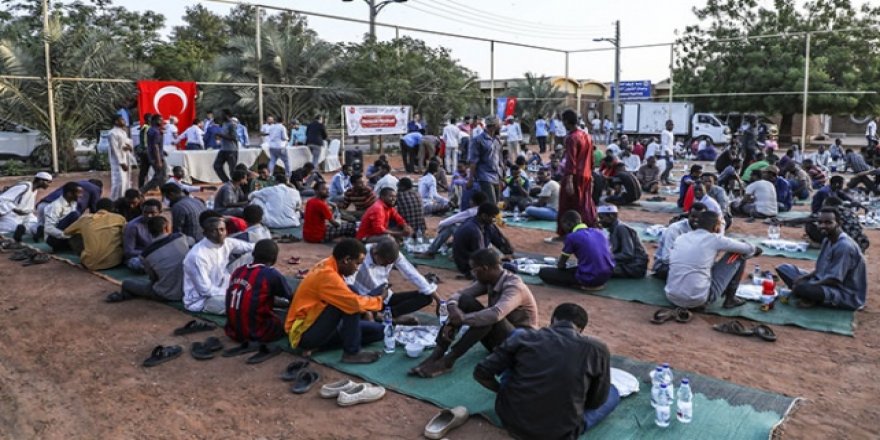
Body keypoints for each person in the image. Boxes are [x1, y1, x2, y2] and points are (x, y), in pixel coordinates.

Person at [474, 303, 617, 440]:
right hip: (559, 433)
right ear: (581, 329)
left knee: (517, 346)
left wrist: (502, 392)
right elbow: (595, 402)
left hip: (511, 419)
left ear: (552, 321)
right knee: (613, 392)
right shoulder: (597, 349)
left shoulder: (523, 337)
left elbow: (481, 373)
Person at [411, 248, 538, 378]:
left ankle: (448, 360)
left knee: (488, 317)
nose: (473, 274)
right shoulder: (490, 279)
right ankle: (438, 352)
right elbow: (460, 295)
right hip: (500, 341)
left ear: (485, 268)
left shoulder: (514, 287)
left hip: (521, 345)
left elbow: (495, 314)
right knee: (466, 302)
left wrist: (463, 318)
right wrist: (453, 308)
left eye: (474, 270)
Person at [285, 238, 386, 364]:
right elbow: (353, 303)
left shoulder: (331, 264)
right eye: (357, 264)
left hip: (321, 322)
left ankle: (320, 347)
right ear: (346, 260)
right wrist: (378, 300)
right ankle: (351, 353)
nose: (357, 269)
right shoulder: (327, 275)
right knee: (351, 300)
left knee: (380, 331)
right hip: (303, 334)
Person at [666, 210, 762, 309]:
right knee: (737, 253)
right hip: (698, 299)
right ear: (716, 226)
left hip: (672, 296)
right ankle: (730, 298)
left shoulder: (681, 238)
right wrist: (756, 249)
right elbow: (748, 249)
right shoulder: (714, 239)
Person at [777, 208, 867, 310]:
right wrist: (804, 277)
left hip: (844, 293)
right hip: (823, 280)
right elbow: (820, 269)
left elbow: (835, 280)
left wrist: (810, 284)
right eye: (820, 222)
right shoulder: (827, 240)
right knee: (784, 268)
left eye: (828, 223)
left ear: (838, 223)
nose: (822, 226)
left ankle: (812, 297)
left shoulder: (844, 246)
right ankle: (809, 295)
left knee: (803, 288)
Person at [105, 216, 195, 303]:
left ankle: (128, 294)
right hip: (191, 290)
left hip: (166, 294)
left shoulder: (146, 254)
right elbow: (192, 241)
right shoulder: (180, 237)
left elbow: (153, 278)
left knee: (127, 283)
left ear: (149, 231)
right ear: (167, 227)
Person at [347, 237, 438, 321]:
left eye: (389, 263)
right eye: (384, 263)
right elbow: (348, 285)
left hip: (386, 297)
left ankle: (388, 315)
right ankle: (387, 317)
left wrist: (439, 301)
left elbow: (412, 274)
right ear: (375, 254)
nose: (386, 265)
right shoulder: (360, 256)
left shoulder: (393, 254)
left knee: (427, 297)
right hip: (367, 300)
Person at [182, 216, 255, 314]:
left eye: (222, 229)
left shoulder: (227, 242)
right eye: (214, 231)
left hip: (223, 283)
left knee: (256, 253)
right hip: (203, 300)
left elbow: (252, 247)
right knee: (243, 303)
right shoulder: (197, 256)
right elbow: (206, 290)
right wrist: (233, 292)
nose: (220, 233)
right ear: (205, 233)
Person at [225, 239, 292, 343]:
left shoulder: (238, 271)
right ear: (274, 258)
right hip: (256, 333)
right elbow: (290, 296)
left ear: (253, 254)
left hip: (232, 330)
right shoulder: (271, 274)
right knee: (287, 319)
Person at [539, 210, 613, 290]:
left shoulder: (572, 237)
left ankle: (581, 284)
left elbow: (561, 265)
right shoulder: (599, 232)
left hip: (589, 278)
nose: (564, 229)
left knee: (544, 272)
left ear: (569, 224)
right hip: (606, 276)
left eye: (563, 225)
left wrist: (560, 267)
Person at [556, 109, 596, 239]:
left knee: (567, 205)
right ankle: (588, 228)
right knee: (584, 204)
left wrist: (568, 180)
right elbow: (591, 158)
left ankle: (565, 233)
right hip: (586, 174)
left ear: (566, 122)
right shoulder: (587, 136)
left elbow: (571, 161)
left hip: (574, 176)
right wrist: (592, 174)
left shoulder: (571, 138)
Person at [414, 191, 488, 259]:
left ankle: (431, 252)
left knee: (450, 226)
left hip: (474, 242)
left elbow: (450, 220)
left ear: (472, 201)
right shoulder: (485, 211)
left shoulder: (471, 211)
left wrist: (440, 226)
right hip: (482, 243)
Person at [451, 202, 514, 277]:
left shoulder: (485, 225)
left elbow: (505, 246)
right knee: (510, 268)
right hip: (467, 264)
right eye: (493, 217)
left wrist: (506, 249)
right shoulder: (473, 230)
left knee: (491, 229)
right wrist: (498, 260)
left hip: (477, 258)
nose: (494, 220)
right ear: (484, 216)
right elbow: (481, 257)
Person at [63, 198, 126, 270]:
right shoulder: (120, 218)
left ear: (96, 208)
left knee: (74, 236)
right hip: (115, 261)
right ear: (113, 208)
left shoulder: (85, 218)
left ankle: (87, 255)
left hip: (90, 263)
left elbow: (66, 232)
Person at [652, 203, 707, 279]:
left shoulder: (705, 229)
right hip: (665, 266)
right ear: (688, 215)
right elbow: (666, 258)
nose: (696, 220)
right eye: (693, 216)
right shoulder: (675, 229)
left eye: (700, 217)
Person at [597, 205, 648, 278]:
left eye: (601, 217)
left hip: (634, 267)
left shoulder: (621, 229)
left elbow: (628, 254)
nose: (599, 220)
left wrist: (607, 257)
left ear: (611, 216)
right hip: (627, 264)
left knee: (597, 269)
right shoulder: (613, 229)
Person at [1, 172, 52, 240]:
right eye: (48, 182)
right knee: (13, 226)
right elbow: (3, 199)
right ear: (40, 181)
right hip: (12, 215)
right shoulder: (24, 186)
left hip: (27, 215)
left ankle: (35, 231)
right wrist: (14, 209)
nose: (49, 185)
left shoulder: (35, 190)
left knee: (35, 223)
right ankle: (23, 230)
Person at [467, 116, 503, 206]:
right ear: (494, 126)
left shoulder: (497, 140)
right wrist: (470, 179)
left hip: (496, 175)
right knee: (491, 204)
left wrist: (502, 175)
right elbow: (473, 161)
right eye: (499, 125)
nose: (501, 127)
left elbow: (499, 159)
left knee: (496, 204)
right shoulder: (478, 140)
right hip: (484, 176)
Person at [122, 199, 162, 272]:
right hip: (139, 257)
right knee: (138, 264)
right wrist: (150, 252)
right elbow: (128, 252)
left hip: (157, 255)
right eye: (146, 213)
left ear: (159, 213)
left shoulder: (162, 224)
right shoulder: (133, 226)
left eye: (153, 213)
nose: (149, 216)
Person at [43, 182, 83, 252]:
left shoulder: (73, 202)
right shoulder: (56, 206)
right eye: (79, 193)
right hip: (53, 239)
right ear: (69, 194)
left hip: (65, 235)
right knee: (75, 215)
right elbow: (48, 229)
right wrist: (69, 236)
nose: (81, 196)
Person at [108, 114, 133, 200]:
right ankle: (115, 199)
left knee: (126, 180)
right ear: (116, 121)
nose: (124, 121)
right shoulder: (112, 133)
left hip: (126, 157)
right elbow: (115, 149)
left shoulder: (123, 132)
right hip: (118, 161)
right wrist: (121, 162)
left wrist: (129, 147)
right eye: (122, 120)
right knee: (119, 181)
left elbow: (127, 143)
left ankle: (125, 198)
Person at [213, 110, 240, 183]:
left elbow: (234, 137)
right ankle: (227, 182)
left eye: (222, 114)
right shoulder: (224, 124)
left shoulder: (232, 124)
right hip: (223, 149)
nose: (221, 116)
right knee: (217, 166)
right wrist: (218, 137)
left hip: (231, 150)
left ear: (227, 115)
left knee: (232, 170)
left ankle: (235, 185)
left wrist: (221, 135)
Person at [659, 120, 676, 184]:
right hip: (666, 153)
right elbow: (664, 144)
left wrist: (673, 151)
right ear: (666, 125)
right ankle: (662, 178)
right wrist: (667, 153)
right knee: (666, 166)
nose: (671, 126)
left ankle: (666, 179)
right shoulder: (664, 132)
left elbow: (671, 144)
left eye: (672, 125)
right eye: (670, 125)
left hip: (670, 152)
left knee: (670, 166)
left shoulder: (671, 133)